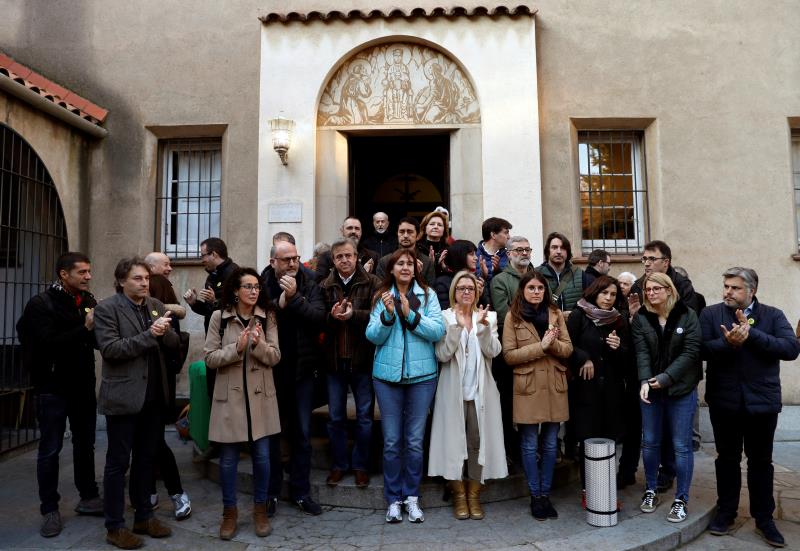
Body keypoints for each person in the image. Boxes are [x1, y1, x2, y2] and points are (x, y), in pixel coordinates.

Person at [701, 267, 800, 547]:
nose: (727, 292)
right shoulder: (711, 314)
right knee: (727, 460)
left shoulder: (773, 315)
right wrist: (727, 343)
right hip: (724, 402)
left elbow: (790, 349)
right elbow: (700, 349)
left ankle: (764, 519)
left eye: (734, 288)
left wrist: (751, 334)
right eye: (726, 287)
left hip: (762, 404)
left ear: (751, 291)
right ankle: (726, 512)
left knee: (760, 463)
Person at [94, 257, 180, 549]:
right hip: (124, 397)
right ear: (121, 281)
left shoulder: (155, 304)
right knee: (118, 463)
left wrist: (166, 331)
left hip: (154, 397)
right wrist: (149, 335)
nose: (144, 283)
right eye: (137, 279)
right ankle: (115, 526)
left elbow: (171, 344)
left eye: (145, 278)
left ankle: (143, 516)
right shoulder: (107, 309)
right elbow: (111, 349)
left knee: (146, 459)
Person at [16, 252, 103, 538]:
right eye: (82, 272)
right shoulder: (41, 304)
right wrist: (85, 328)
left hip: (82, 386)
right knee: (50, 450)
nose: (88, 277)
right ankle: (50, 509)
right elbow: (45, 344)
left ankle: (89, 497)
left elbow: (93, 341)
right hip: (52, 388)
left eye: (89, 271)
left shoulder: (87, 301)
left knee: (85, 443)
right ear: (64, 275)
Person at [366, 248, 445, 524]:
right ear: (391, 268)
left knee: (413, 442)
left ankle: (411, 497)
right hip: (387, 378)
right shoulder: (381, 296)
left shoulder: (428, 295)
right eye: (400, 263)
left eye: (410, 264)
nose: (405, 267)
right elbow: (372, 336)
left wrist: (411, 315)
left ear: (417, 269)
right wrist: (388, 316)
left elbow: (438, 331)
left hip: (422, 377)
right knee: (391, 442)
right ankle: (393, 499)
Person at [204, 267, 281, 540]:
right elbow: (210, 358)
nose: (253, 291)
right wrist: (237, 348)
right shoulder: (219, 318)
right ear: (235, 291)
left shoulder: (267, 316)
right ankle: (229, 513)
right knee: (228, 461)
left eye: (257, 286)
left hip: (260, 397)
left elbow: (275, 356)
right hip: (230, 399)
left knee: (262, 457)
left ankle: (260, 510)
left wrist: (258, 344)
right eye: (247, 286)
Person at [429, 271, 506, 520]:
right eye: (461, 288)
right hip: (452, 391)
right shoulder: (444, 317)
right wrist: (455, 330)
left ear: (476, 292)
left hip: (480, 392)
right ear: (454, 291)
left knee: (477, 443)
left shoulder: (488, 317)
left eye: (470, 288)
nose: (466, 292)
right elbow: (442, 355)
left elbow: (494, 352)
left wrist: (483, 329)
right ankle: (459, 495)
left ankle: (474, 495)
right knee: (453, 443)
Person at [629, 241, 703, 493]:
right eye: (647, 289)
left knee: (681, 443)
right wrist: (646, 381)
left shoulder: (686, 305)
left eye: (656, 289)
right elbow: (642, 351)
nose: (650, 293)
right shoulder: (641, 313)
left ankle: (680, 494)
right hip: (651, 385)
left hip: (680, 384)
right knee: (650, 441)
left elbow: (690, 350)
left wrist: (667, 377)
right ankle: (652, 487)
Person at [261, 240, 326, 516]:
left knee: (301, 434)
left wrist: (295, 298)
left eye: (296, 258)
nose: (292, 263)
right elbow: (259, 315)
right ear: (273, 261)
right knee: (273, 434)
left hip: (302, 370)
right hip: (271, 371)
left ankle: (301, 492)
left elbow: (319, 318)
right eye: (286, 259)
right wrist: (279, 302)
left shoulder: (310, 282)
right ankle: (271, 492)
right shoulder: (261, 282)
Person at [502, 270, 572, 521]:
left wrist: (551, 344)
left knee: (552, 444)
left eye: (540, 288)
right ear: (523, 290)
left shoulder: (555, 314)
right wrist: (540, 347)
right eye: (531, 288)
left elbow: (568, 349)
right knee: (530, 444)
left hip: (554, 385)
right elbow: (509, 355)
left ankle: (545, 493)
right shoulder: (513, 316)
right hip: (528, 387)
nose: (536, 292)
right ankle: (535, 496)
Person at [319, 238, 380, 489]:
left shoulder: (373, 282)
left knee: (365, 417)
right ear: (333, 260)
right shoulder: (324, 286)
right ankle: (339, 464)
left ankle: (360, 465)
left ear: (357, 257)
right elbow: (318, 319)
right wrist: (332, 318)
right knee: (335, 417)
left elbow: (377, 317)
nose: (344, 260)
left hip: (362, 360)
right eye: (339, 257)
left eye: (349, 255)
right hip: (334, 362)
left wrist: (354, 315)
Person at [565, 275, 629, 503]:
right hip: (585, 390)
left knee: (609, 440)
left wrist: (618, 348)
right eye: (605, 293)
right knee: (588, 440)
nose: (609, 298)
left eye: (613, 294)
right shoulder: (579, 314)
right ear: (595, 292)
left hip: (611, 391)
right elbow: (567, 346)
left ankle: (606, 488)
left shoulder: (619, 320)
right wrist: (584, 358)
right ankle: (588, 491)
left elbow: (628, 357)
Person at [143, 252, 191, 520]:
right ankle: (148, 492)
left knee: (155, 438)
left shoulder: (157, 295)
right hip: (141, 383)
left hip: (158, 377)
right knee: (146, 441)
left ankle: (170, 491)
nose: (170, 269)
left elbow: (173, 334)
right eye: (166, 264)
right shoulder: (123, 306)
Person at [489, 235, 533, 459]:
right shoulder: (500, 280)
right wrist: (533, 318)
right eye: (519, 250)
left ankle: (531, 449)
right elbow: (503, 313)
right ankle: (511, 450)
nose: (524, 253)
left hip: (536, 349)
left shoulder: (537, 277)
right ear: (508, 254)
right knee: (508, 401)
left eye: (527, 249)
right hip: (510, 348)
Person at [183, 237, 239, 403]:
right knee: (213, 388)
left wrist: (215, 301)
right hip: (213, 339)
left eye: (203, 255)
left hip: (228, 341)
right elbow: (211, 311)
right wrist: (194, 303)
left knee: (225, 390)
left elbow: (237, 307)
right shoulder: (212, 276)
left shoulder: (234, 273)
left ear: (214, 254)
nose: (202, 260)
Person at [615, 271, 643, 488]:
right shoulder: (612, 312)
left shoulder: (638, 312)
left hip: (635, 377)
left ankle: (627, 471)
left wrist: (635, 318)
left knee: (634, 428)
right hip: (617, 378)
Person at [315, 216, 379, 282]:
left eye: (357, 228)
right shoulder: (327, 257)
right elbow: (320, 284)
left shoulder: (372, 257)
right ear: (342, 231)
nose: (353, 231)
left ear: (361, 232)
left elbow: (378, 286)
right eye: (349, 228)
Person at [537, 232, 587, 314]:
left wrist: (575, 316)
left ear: (568, 252)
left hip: (573, 325)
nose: (559, 251)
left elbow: (587, 305)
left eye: (563, 248)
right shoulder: (536, 274)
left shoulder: (580, 274)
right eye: (554, 247)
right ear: (547, 251)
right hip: (547, 325)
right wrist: (558, 317)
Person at [376, 217, 436, 284]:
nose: (405, 235)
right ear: (397, 234)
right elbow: (381, 290)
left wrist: (417, 275)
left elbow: (431, 291)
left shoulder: (427, 262)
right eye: (401, 232)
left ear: (418, 235)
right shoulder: (385, 261)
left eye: (410, 232)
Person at [434, 240, 490, 310]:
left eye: (475, 254)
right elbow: (445, 313)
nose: (476, 258)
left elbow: (488, 310)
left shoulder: (478, 280)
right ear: (460, 256)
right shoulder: (442, 282)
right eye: (471, 254)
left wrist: (480, 296)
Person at [474, 217, 511, 283]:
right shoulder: (474, 257)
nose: (509, 237)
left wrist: (498, 271)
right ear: (493, 235)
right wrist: (482, 276)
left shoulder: (510, 256)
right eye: (506, 233)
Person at [416, 210, 449, 277]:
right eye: (432, 224)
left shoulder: (448, 250)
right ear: (425, 228)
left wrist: (443, 267)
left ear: (444, 230)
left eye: (439, 225)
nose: (436, 227)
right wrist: (429, 264)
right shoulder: (416, 248)